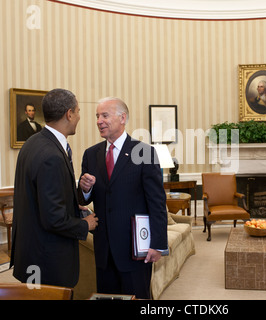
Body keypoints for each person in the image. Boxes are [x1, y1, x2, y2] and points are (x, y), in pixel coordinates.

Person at [78, 97, 168, 299]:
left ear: (122, 118)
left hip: (134, 249)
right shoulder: (90, 155)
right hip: (103, 250)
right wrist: (84, 189)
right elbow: (84, 200)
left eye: (105, 115)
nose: (99, 121)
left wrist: (158, 244)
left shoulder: (144, 152)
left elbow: (157, 203)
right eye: (97, 116)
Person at [10, 88, 98, 288]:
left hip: (31, 253)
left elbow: (43, 198)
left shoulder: (32, 143)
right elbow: (53, 219)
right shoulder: (52, 155)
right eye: (78, 111)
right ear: (69, 114)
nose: (79, 117)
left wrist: (76, 207)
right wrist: (86, 225)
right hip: (47, 260)